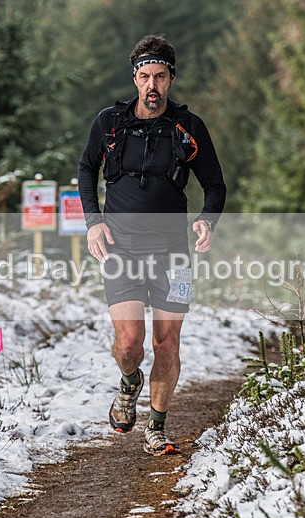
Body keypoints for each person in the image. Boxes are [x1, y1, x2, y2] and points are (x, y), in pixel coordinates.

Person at [77, 34, 226, 456]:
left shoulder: (189, 128)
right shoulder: (109, 122)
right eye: (145, 76)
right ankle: (129, 382)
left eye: (160, 76)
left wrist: (206, 223)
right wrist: (93, 223)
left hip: (173, 253)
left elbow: (215, 185)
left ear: (172, 79)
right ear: (135, 78)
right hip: (120, 248)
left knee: (167, 343)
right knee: (129, 344)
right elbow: (87, 169)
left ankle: (157, 426)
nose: (152, 85)